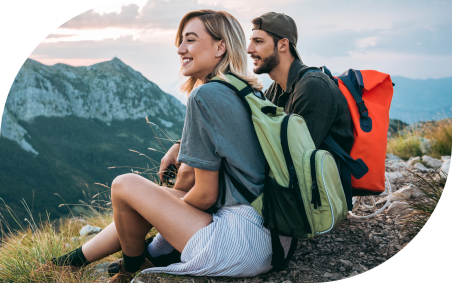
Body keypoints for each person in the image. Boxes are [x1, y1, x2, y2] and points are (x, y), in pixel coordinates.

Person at [36, 9, 294, 282]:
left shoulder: (205, 95)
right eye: (180, 41)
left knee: (125, 185)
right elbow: (213, 165)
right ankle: (73, 260)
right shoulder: (246, 90)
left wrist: (160, 223)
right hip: (274, 238)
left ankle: (132, 265)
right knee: (152, 196)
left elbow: (206, 196)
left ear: (221, 46)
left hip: (242, 242)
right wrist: (164, 196)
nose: (181, 49)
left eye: (190, 40)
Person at [247, 12, 354, 155]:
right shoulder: (275, 90)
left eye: (258, 41)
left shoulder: (313, 86)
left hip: (326, 177)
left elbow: (298, 157)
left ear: (283, 45)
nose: (249, 49)